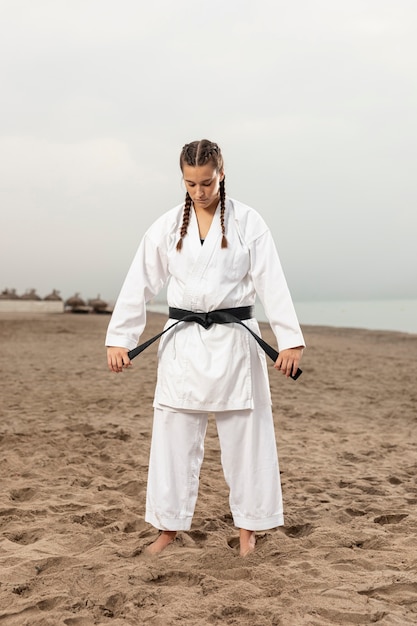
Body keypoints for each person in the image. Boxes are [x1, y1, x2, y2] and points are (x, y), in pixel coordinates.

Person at [106, 139, 305, 557]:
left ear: (222, 173)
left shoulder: (249, 223)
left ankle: (249, 530)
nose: (199, 191)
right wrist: (120, 339)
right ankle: (167, 526)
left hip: (235, 340)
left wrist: (290, 341)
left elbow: (272, 282)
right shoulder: (164, 227)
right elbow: (139, 283)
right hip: (184, 342)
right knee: (173, 439)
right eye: (191, 183)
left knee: (247, 439)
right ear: (182, 179)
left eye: (207, 182)